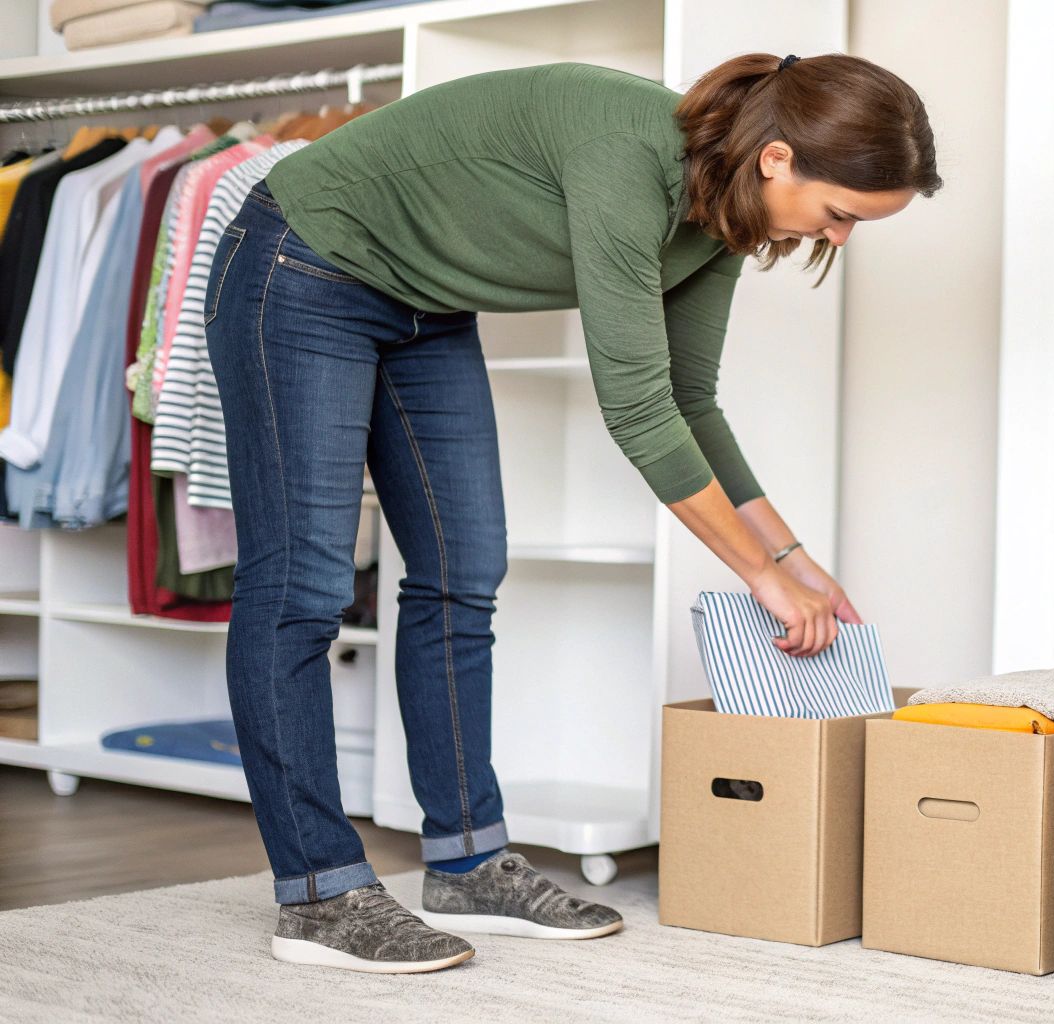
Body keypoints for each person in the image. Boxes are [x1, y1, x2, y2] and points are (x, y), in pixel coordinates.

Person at [204, 52, 941, 973]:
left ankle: (467, 860)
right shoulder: (625, 152)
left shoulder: (724, 218)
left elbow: (688, 398)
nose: (838, 240)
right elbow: (633, 405)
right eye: (842, 216)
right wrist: (755, 572)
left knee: (462, 571)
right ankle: (316, 891)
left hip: (426, 306)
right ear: (779, 159)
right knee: (303, 585)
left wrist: (790, 555)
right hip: (306, 263)